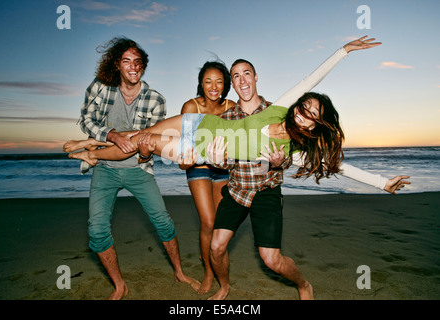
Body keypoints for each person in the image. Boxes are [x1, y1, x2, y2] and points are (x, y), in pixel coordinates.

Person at [65, 36, 410, 299]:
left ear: (313, 127)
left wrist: (381, 182)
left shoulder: (293, 150)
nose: (303, 114)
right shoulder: (280, 108)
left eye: (310, 116)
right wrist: (342, 51)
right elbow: (309, 79)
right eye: (304, 108)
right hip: (200, 126)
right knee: (143, 136)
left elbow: (338, 167)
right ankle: (92, 147)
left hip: (219, 160)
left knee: (148, 144)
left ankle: (93, 152)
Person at [64, 37, 200, 300]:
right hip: (105, 168)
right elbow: (86, 119)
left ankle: (179, 272)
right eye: (126, 61)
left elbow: (149, 142)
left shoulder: (156, 99)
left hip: (140, 170)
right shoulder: (101, 88)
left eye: (138, 62)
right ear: (117, 64)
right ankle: (119, 285)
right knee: (97, 229)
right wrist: (112, 135)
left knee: (163, 222)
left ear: (143, 67)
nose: (133, 67)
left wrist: (145, 152)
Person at [178, 60, 236, 294]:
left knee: (220, 225)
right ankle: (209, 273)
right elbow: (184, 156)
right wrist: (191, 157)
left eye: (219, 81)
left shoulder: (232, 106)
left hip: (223, 169)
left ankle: (218, 266)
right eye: (208, 81)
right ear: (201, 83)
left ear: (225, 85)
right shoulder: (191, 107)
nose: (213, 86)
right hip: (199, 167)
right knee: (208, 222)